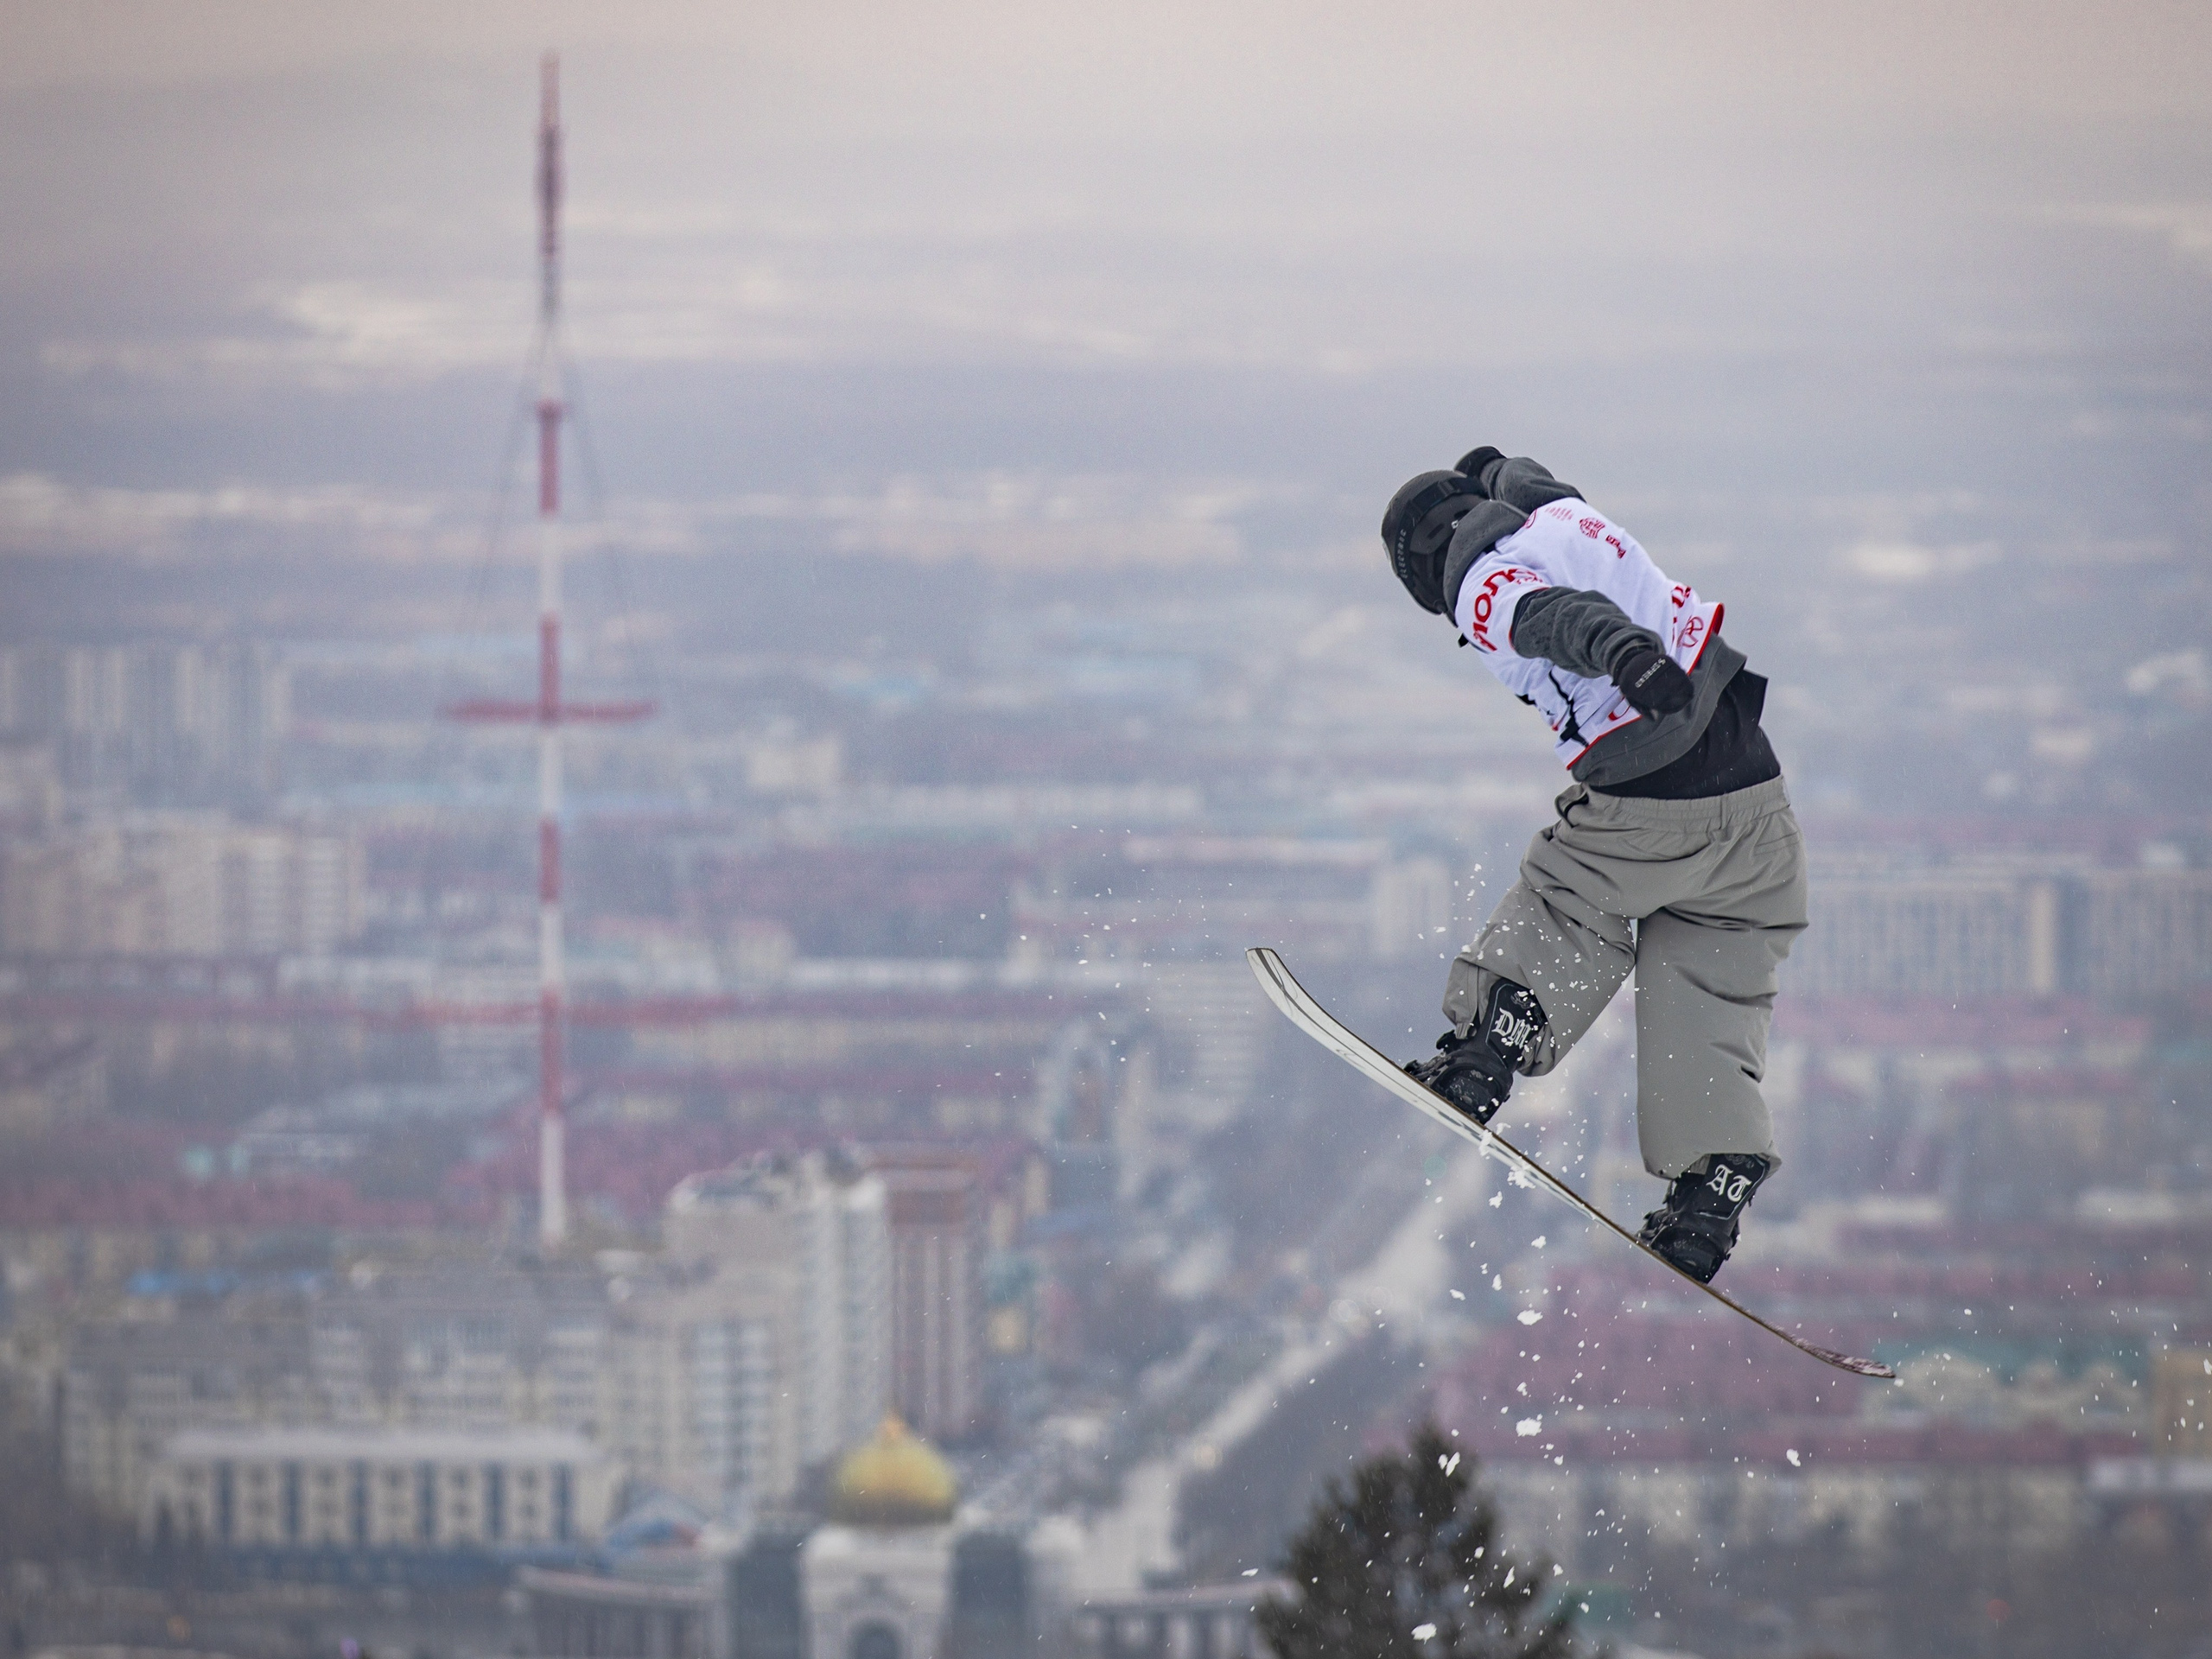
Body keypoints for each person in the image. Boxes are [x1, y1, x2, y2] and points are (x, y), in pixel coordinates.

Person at [1379, 448, 1808, 1283]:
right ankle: (1710, 1190)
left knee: (1572, 902)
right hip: (1756, 795)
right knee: (1713, 984)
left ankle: (1489, 1046)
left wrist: (1623, 653)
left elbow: (1554, 616)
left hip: (1653, 785)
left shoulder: (1480, 581)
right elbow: (1537, 485)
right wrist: (1498, 467)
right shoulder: (1557, 516)